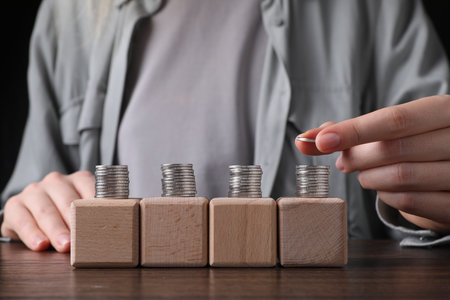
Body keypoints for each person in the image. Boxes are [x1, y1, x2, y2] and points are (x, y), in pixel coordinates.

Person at [1, 0, 450, 253]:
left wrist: (424, 201)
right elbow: (26, 203)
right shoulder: (68, 13)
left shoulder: (374, 9)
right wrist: (30, 212)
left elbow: (432, 182)